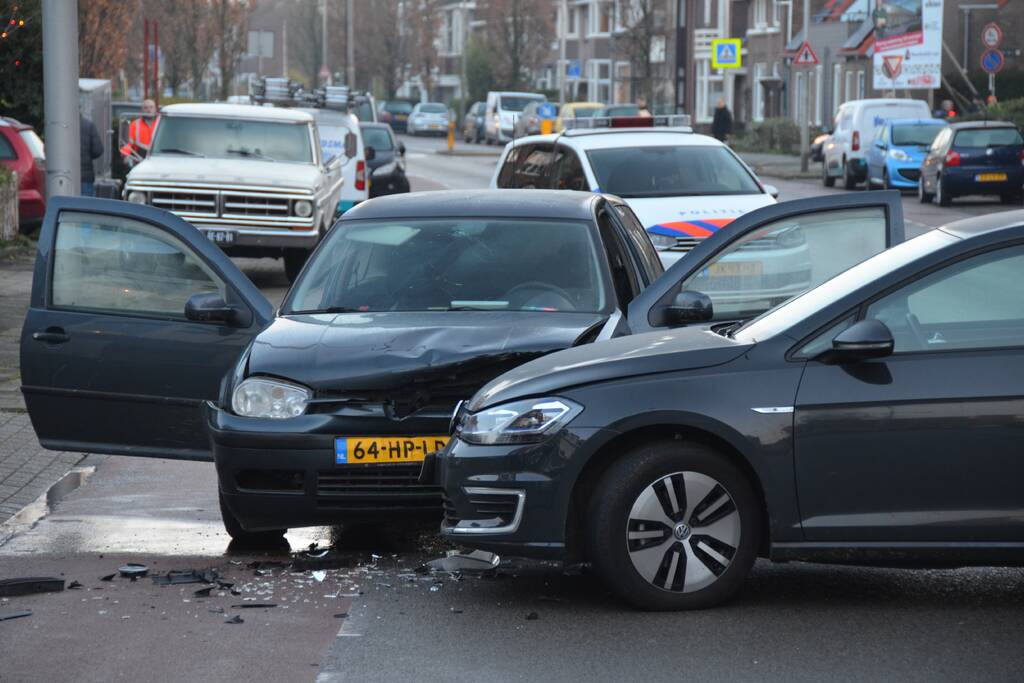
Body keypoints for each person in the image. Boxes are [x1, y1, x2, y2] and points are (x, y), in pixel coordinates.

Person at [119, 98, 158, 165]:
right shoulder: (134, 124)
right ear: (141, 110)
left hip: (159, 158)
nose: (149, 110)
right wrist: (125, 155)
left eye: (151, 107)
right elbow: (127, 143)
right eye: (146, 108)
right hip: (140, 159)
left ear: (155, 109)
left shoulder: (161, 123)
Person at [80, 114, 103, 197]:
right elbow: (98, 150)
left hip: (61, 180)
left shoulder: (57, 126)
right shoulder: (88, 125)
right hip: (85, 177)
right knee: (86, 206)